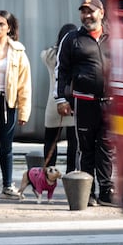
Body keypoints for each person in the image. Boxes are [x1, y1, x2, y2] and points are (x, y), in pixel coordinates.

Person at [55, 0, 113, 206]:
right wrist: (61, 98)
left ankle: (107, 190)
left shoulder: (113, 37)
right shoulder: (72, 39)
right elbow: (61, 70)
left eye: (91, 11)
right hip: (84, 101)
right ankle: (87, 191)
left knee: (107, 147)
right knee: (85, 148)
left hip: (110, 102)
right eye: (83, 12)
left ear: (101, 13)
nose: (87, 16)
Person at [0, 10, 33, 200]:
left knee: (6, 147)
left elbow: (24, 83)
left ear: (9, 27)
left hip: (8, 102)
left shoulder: (18, 51)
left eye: (2, 24)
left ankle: (7, 186)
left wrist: (24, 112)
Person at [42, 23, 78, 170]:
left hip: (54, 103)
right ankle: (70, 174)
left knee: (50, 140)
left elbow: (43, 55)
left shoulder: (50, 55)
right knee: (73, 143)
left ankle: (49, 172)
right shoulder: (76, 55)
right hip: (72, 103)